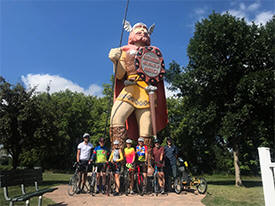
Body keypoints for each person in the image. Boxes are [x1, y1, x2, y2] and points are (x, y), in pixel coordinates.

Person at [108, 21, 168, 165]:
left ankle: (147, 163)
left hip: (147, 92)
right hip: (129, 89)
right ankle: (118, 160)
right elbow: (120, 74)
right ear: (131, 34)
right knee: (116, 118)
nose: (142, 32)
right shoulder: (124, 50)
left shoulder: (153, 52)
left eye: (145, 30)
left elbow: (157, 74)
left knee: (146, 129)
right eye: (138, 29)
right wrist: (115, 61)